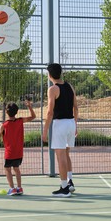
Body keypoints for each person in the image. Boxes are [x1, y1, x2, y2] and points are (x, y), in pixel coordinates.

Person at [42, 63, 78, 197]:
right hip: (70, 123)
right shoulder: (70, 87)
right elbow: (76, 107)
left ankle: (64, 188)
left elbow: (50, 112)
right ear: (61, 73)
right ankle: (69, 181)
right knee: (66, 154)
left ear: (50, 75)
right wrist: (75, 125)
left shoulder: (53, 89)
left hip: (60, 124)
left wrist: (45, 130)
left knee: (60, 156)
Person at [0, 100, 36, 196]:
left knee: (7, 169)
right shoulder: (20, 121)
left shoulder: (4, 125)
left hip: (9, 152)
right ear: (17, 112)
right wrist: (29, 106)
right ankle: (19, 188)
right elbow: (33, 117)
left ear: (7, 112)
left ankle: (12, 188)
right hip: (19, 152)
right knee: (16, 168)